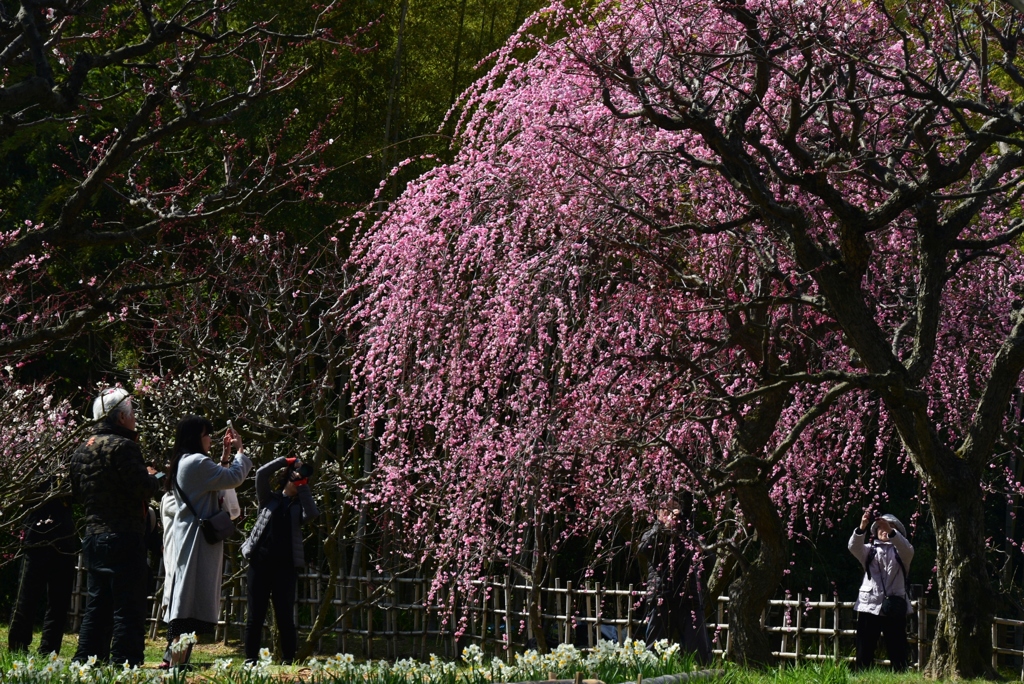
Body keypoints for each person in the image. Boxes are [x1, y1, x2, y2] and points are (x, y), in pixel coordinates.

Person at [70, 387, 161, 666]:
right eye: (133, 414)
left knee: (97, 605)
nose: (135, 419)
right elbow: (143, 488)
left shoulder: (81, 449)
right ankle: (125, 663)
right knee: (128, 606)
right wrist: (155, 476)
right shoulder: (124, 447)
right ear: (121, 417)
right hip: (124, 534)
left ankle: (86, 660)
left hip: (93, 535)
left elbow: (76, 493)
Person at [163, 415, 252, 668]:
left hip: (191, 538)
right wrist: (240, 451)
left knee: (189, 602)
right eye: (206, 434)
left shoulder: (185, 461)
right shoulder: (197, 462)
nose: (210, 438)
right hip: (196, 542)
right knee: (189, 606)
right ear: (195, 437)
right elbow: (234, 478)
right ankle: (177, 664)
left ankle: (177, 662)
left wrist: (224, 456)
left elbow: (217, 478)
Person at [242, 456, 319, 664]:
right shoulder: (269, 499)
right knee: (255, 616)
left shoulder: (298, 507)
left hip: (285, 568)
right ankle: (250, 659)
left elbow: (312, 513)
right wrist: (286, 461)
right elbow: (260, 474)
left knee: (285, 616)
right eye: (297, 476)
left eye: (303, 479)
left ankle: (288, 660)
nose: (299, 479)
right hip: (259, 564)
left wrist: (303, 487)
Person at [637, 496, 711, 664]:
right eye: (666, 510)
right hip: (661, 595)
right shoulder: (652, 534)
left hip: (689, 597)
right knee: (653, 650)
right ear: (657, 514)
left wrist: (686, 531)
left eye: (675, 509)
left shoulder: (690, 535)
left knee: (698, 649)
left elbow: (708, 559)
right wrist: (662, 528)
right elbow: (643, 549)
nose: (672, 514)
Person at [8, 481, 77, 655]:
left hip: (64, 538)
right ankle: (17, 646)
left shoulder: (71, 463)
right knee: (26, 597)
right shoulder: (35, 467)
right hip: (37, 536)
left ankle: (49, 650)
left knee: (59, 601)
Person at [849, 509, 914, 671]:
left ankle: (901, 675)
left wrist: (891, 531)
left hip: (894, 604)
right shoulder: (869, 550)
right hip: (869, 605)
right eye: (881, 528)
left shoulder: (902, 552)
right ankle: (862, 675)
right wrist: (862, 526)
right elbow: (853, 547)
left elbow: (908, 550)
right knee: (865, 646)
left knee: (897, 647)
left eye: (890, 528)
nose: (884, 530)